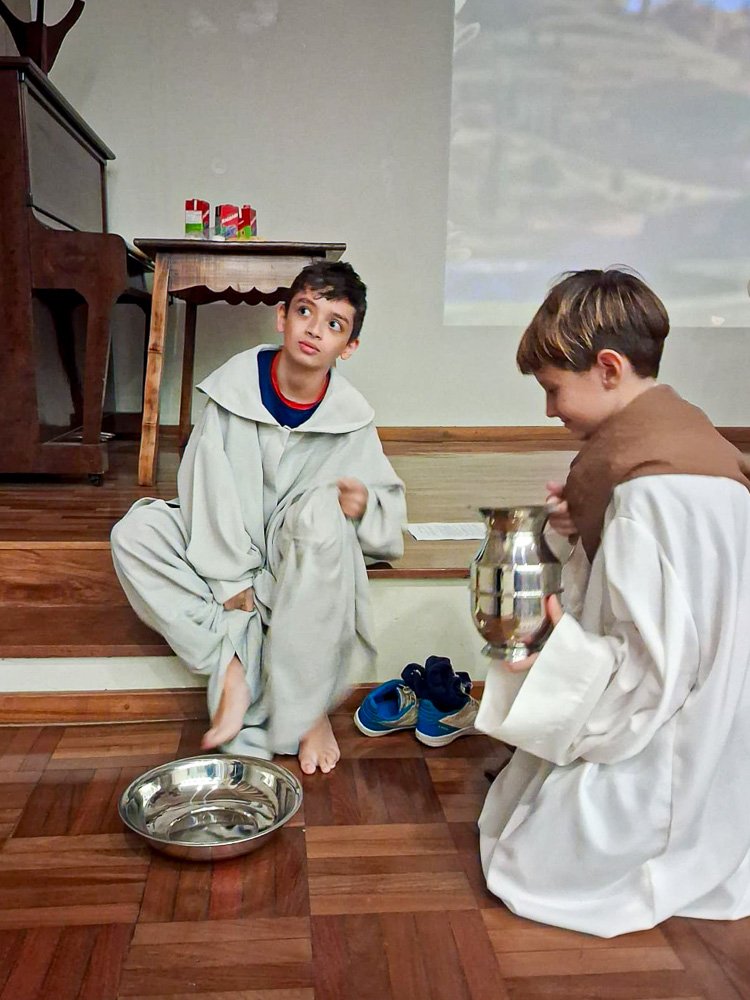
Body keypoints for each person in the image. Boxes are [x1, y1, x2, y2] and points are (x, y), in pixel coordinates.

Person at [475, 268, 750, 936]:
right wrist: (580, 528)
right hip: (723, 732)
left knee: (530, 866)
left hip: (670, 749)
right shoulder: (696, 453)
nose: (549, 410)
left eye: (553, 389)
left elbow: (651, 675)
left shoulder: (649, 492)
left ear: (607, 368)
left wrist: (552, 648)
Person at [111, 260, 406, 774]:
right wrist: (231, 581)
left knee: (324, 519)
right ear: (282, 317)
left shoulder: (353, 418)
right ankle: (228, 666)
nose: (315, 330)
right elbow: (204, 490)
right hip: (224, 541)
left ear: (349, 346)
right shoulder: (232, 394)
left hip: (296, 556)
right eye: (305, 312)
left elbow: (387, 519)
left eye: (334, 323)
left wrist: (364, 508)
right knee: (136, 532)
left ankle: (307, 706)